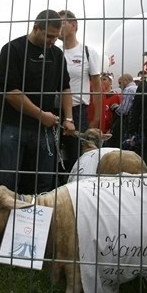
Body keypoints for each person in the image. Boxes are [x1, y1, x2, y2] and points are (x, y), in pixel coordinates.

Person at [0, 10, 75, 194]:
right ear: (36, 27)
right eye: (49, 36)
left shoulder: (57, 55)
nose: (53, 41)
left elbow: (65, 88)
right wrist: (41, 115)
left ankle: (37, 220)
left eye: (56, 37)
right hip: (13, 126)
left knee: (43, 183)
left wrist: (69, 118)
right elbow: (11, 92)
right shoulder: (13, 49)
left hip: (43, 131)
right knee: (6, 182)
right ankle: (3, 220)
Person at [58, 10, 101, 173]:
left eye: (62, 23)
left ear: (74, 25)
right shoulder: (54, 52)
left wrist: (95, 119)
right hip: (54, 111)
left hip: (78, 113)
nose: (58, 27)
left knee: (77, 158)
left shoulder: (88, 52)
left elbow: (97, 86)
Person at [109, 73, 137, 148]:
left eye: (120, 83)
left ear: (126, 80)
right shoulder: (137, 88)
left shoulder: (128, 90)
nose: (119, 86)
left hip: (129, 123)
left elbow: (124, 111)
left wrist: (115, 108)